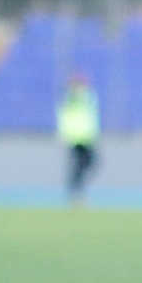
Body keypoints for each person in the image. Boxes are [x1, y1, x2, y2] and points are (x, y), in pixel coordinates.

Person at [56, 74, 100, 206]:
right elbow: (64, 116)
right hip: (75, 137)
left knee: (87, 163)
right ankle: (75, 193)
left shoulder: (87, 96)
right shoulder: (70, 98)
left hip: (87, 137)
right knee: (79, 165)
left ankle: (75, 189)